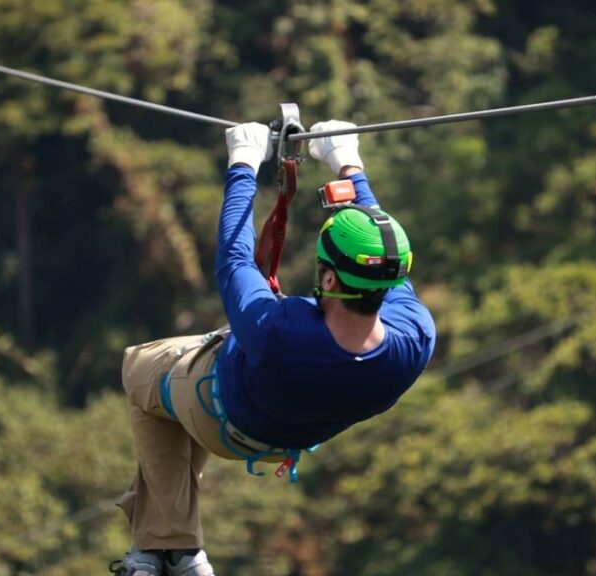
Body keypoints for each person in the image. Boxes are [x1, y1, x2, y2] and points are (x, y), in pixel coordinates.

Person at [111, 121, 436, 576]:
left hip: (221, 416)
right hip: (287, 439)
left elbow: (234, 259)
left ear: (327, 279)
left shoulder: (279, 329)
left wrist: (243, 164)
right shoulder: (415, 338)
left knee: (140, 368)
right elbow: (385, 260)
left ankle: (171, 546)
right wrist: (348, 163)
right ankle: (161, 552)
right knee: (177, 392)